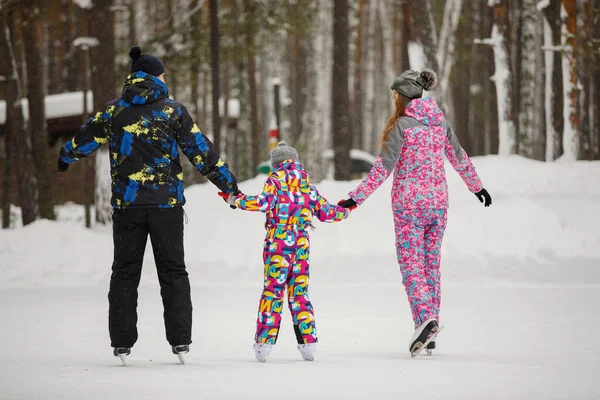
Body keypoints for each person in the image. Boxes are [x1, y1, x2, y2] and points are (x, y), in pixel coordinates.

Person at [57, 46, 239, 362]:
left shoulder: (114, 111)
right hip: (166, 207)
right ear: (156, 76)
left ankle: (122, 341)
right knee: (174, 272)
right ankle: (180, 340)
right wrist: (229, 186)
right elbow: (200, 151)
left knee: (125, 273)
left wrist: (66, 155)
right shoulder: (172, 111)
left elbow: (86, 137)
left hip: (127, 208)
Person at [338, 69, 492, 357]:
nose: (394, 98)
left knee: (412, 267)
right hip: (437, 205)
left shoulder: (403, 126)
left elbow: (383, 168)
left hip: (409, 206)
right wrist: (477, 187)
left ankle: (425, 319)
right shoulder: (440, 123)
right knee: (430, 267)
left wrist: (355, 199)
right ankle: (429, 332)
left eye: (395, 94)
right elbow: (459, 158)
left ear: (404, 95)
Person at [218, 141, 350, 362]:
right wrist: (344, 211)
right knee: (300, 293)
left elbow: (262, 202)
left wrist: (235, 199)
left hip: (278, 242)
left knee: (273, 291)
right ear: (296, 162)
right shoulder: (306, 184)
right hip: (301, 244)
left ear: (275, 164)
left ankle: (264, 345)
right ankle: (308, 344)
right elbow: (326, 212)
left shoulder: (275, 181)